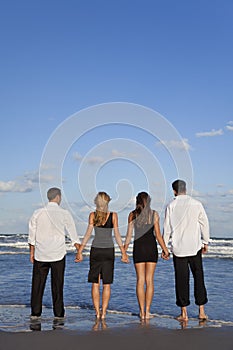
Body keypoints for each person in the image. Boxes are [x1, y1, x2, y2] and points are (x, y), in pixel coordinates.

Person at [28, 187, 81, 319]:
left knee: (37, 286)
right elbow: (72, 233)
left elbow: (31, 236)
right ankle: (58, 314)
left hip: (41, 254)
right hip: (58, 254)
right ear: (58, 197)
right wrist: (78, 251)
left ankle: (35, 313)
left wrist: (31, 253)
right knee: (57, 285)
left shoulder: (37, 213)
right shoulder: (64, 213)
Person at [75, 192, 129, 319]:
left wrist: (80, 251)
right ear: (107, 202)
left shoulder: (92, 215)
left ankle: (97, 312)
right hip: (108, 251)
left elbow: (88, 234)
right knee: (107, 283)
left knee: (95, 283)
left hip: (96, 250)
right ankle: (104, 312)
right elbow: (117, 235)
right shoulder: (113, 215)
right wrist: (123, 252)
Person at [163, 179, 210, 322]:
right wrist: (205, 241)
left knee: (181, 280)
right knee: (199, 278)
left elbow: (167, 229)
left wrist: (165, 248)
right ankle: (201, 311)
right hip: (194, 246)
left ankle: (184, 313)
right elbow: (204, 223)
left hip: (179, 248)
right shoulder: (196, 204)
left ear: (174, 191)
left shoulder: (171, 206)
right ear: (186, 189)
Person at [124, 192, 170, 320]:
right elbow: (158, 236)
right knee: (149, 281)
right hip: (151, 249)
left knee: (140, 280)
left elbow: (128, 236)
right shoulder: (154, 214)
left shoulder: (132, 215)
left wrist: (124, 251)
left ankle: (141, 312)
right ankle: (147, 312)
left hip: (138, 249)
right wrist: (165, 250)